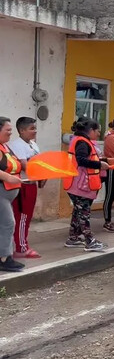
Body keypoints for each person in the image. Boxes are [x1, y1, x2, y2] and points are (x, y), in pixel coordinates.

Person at [63, 118, 111, 252]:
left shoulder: (79, 140)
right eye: (97, 131)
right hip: (80, 184)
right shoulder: (82, 142)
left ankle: (73, 238)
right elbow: (82, 160)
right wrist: (99, 165)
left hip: (76, 183)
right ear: (90, 131)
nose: (98, 134)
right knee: (84, 213)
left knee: (78, 212)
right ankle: (89, 241)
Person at [9, 117, 44, 259]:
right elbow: (26, 166)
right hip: (23, 185)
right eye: (31, 128)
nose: (35, 131)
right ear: (22, 130)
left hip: (32, 184)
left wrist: (43, 176)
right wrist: (41, 174)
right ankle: (21, 247)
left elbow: (40, 163)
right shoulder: (17, 145)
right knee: (22, 217)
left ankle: (20, 244)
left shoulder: (33, 145)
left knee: (26, 218)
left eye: (35, 128)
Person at [0, 117, 25, 272]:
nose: (10, 133)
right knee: (9, 223)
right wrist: (7, 177)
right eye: (7, 130)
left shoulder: (5, 147)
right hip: (1, 192)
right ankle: (4, 258)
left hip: (8, 193)